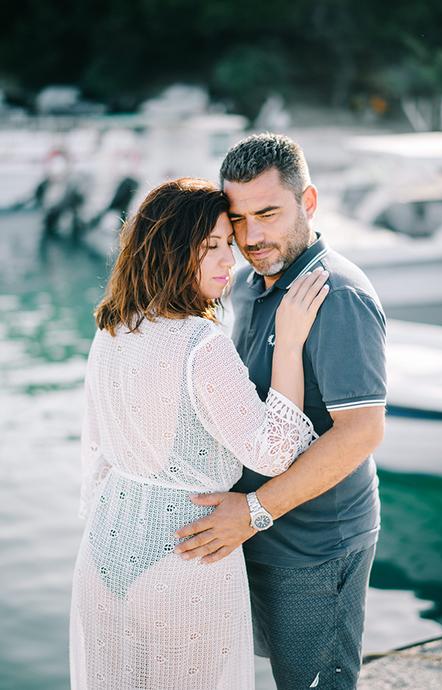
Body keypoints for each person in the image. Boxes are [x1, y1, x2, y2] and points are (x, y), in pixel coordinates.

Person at [69, 177, 330, 689]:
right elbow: (273, 450)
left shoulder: (113, 329)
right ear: (170, 249)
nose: (226, 262)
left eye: (227, 247)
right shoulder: (199, 344)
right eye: (209, 247)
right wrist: (289, 342)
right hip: (187, 557)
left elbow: (97, 452)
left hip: (104, 554)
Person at [175, 134, 387, 689]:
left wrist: (253, 512)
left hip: (315, 550)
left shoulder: (335, 294)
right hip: (254, 534)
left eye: (268, 213)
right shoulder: (245, 283)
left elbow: (362, 431)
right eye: (239, 219)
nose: (252, 236)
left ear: (309, 203)